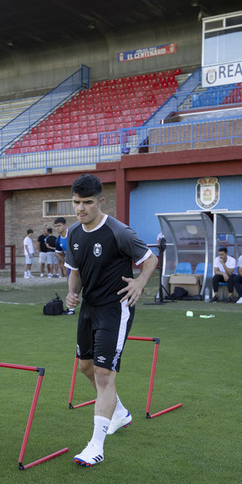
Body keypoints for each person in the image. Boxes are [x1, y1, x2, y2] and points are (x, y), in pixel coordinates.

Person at [64, 173, 157, 467]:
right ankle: (118, 413)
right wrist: (71, 294)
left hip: (115, 309)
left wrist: (140, 283)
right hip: (88, 309)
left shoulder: (119, 231)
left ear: (100, 201)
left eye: (87, 203)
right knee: (85, 368)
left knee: (105, 376)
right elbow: (75, 272)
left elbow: (150, 258)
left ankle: (96, 445)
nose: (81, 209)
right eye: (77, 202)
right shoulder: (74, 234)